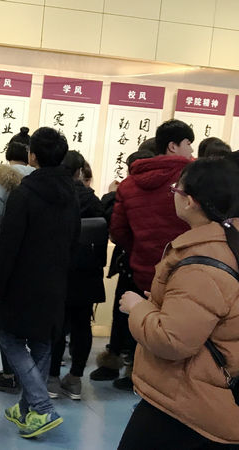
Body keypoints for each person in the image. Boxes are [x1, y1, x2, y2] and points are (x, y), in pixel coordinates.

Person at [118, 157, 239, 448]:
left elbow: (172, 341)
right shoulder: (225, 245)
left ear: (190, 201)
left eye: (176, 189)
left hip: (187, 405)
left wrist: (137, 308)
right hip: (202, 396)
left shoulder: (202, 264)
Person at [0, 127, 80, 439]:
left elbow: (8, 246)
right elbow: (74, 241)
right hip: (55, 282)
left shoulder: (24, 194)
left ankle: (42, 407)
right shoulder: (71, 194)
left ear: (33, 156)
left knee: (10, 339)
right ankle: (26, 408)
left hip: (21, 283)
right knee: (42, 343)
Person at [109, 120, 193, 391]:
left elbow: (118, 231)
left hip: (143, 268)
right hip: (186, 270)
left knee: (141, 321)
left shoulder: (129, 184)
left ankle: (136, 374)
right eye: (188, 143)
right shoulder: (193, 179)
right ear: (173, 145)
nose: (191, 150)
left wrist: (139, 249)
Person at [90, 148, 155, 382]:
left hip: (130, 261)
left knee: (122, 313)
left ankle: (114, 361)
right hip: (158, 263)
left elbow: (116, 228)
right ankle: (135, 368)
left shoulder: (128, 188)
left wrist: (112, 194)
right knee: (147, 315)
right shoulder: (170, 188)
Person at [0, 127, 34, 394]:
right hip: (34, 261)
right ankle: (33, 373)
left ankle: (11, 373)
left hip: (6, 259)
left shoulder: (2, 181)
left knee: (5, 320)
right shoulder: (40, 180)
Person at [48, 151, 105, 400]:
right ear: (80, 172)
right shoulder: (93, 200)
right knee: (82, 325)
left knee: (56, 325)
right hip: (87, 272)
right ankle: (75, 379)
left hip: (59, 270)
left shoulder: (54, 197)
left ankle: (51, 378)